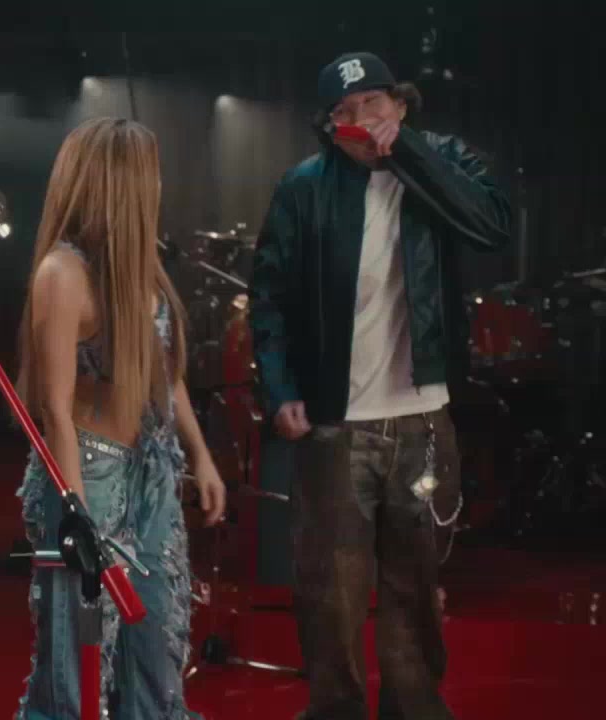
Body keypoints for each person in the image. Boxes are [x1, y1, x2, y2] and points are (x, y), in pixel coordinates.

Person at [249, 52, 510, 720]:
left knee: (414, 589)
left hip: (423, 424)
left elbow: (491, 226)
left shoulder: (443, 162)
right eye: (346, 111)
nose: (363, 119)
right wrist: (280, 388)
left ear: (401, 104)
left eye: (374, 102)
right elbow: (269, 299)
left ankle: (414, 710)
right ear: (329, 127)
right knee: (329, 596)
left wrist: (411, 155)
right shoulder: (304, 188)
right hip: (336, 425)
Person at [14, 117, 227, 720]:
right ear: (118, 181)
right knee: (74, 668)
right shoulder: (63, 273)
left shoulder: (139, 265)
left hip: (151, 473)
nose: (158, 185)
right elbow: (54, 408)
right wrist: (76, 512)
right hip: (90, 475)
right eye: (149, 173)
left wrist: (201, 454)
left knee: (155, 651)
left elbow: (165, 372)